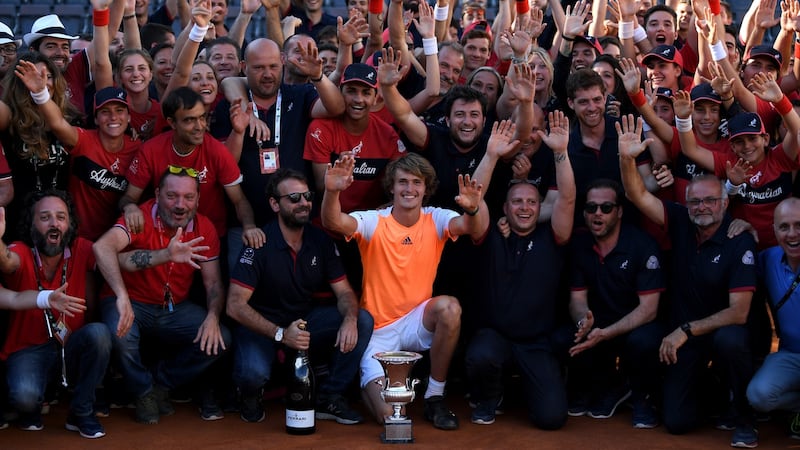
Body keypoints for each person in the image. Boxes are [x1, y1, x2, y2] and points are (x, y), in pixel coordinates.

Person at [321, 150, 489, 430]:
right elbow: (333, 222)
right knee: (392, 421)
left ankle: (435, 396)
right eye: (402, 182)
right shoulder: (375, 221)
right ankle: (369, 389)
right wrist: (331, 192)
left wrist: (472, 208)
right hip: (377, 331)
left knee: (450, 308)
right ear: (391, 187)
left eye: (416, 182)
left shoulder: (436, 218)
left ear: (426, 189)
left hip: (417, 321)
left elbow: (472, 228)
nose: (409, 188)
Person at [618, 114, 759, 448]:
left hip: (716, 333)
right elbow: (638, 195)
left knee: (732, 341)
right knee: (677, 423)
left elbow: (739, 313)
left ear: (726, 203)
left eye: (711, 200)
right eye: (695, 201)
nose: (702, 207)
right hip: (687, 339)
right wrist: (626, 158)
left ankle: (744, 416)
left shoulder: (739, 238)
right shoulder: (681, 219)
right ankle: (708, 391)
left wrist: (685, 330)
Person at [226, 168, 373, 424]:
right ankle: (249, 394)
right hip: (261, 326)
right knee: (252, 373)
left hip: (303, 324)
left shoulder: (320, 240)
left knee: (362, 319)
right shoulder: (260, 242)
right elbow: (235, 306)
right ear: (274, 203)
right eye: (294, 198)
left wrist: (349, 319)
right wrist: (282, 334)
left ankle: (330, 396)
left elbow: (345, 292)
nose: (304, 203)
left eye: (307, 196)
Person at [93, 166, 232, 424]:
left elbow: (213, 284)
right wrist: (122, 296)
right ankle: (143, 392)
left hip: (173, 309)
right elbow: (102, 247)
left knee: (220, 338)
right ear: (157, 194)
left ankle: (160, 383)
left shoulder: (205, 227)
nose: (180, 204)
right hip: (132, 302)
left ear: (198, 200)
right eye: (172, 196)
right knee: (120, 332)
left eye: (188, 197)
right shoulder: (140, 216)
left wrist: (213, 316)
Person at [465, 114, 575, 429]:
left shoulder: (553, 237)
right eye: (517, 202)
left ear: (540, 207)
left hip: (536, 343)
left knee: (552, 419)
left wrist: (561, 152)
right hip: (495, 337)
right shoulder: (489, 233)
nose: (524, 207)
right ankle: (489, 397)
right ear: (505, 207)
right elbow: (475, 197)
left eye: (531, 201)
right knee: (482, 354)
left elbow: (567, 199)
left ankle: (529, 389)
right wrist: (491, 155)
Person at [0, 190, 111, 438]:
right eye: (45, 217)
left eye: (61, 217)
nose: (54, 223)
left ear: (69, 223)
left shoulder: (82, 249)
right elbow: (7, 260)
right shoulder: (22, 251)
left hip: (69, 346)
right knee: (25, 397)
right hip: (28, 350)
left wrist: (165, 255)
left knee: (100, 334)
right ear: (31, 223)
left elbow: (117, 260)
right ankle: (36, 403)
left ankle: (81, 412)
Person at [567, 179, 664, 428]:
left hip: (638, 324)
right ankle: (609, 386)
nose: (598, 214)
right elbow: (577, 299)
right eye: (591, 208)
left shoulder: (642, 245)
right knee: (566, 336)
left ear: (619, 212)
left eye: (606, 208)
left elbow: (649, 310)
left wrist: (605, 334)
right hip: (600, 323)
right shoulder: (580, 244)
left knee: (642, 342)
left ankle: (642, 396)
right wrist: (582, 321)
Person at [120, 87, 264, 249]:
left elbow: (239, 200)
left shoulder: (216, 150)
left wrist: (250, 226)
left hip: (210, 239)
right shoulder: (151, 150)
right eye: (189, 120)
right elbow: (129, 197)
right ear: (171, 122)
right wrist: (130, 207)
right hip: (164, 238)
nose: (199, 126)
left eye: (202, 118)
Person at [747, 197, 800, 439]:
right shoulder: (767, 259)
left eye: (799, 225)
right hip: (790, 354)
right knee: (759, 395)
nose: (792, 234)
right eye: (784, 227)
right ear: (774, 230)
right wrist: (743, 232)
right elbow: (738, 271)